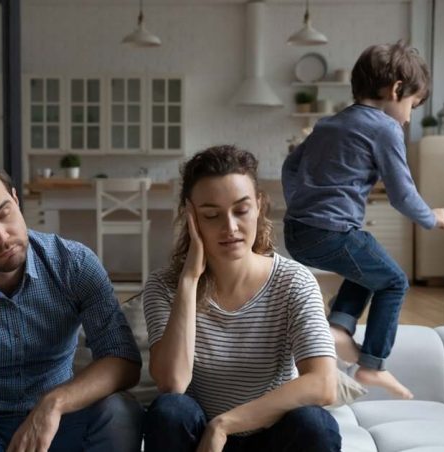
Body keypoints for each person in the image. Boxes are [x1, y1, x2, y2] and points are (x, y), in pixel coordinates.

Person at [0, 154, 143, 452]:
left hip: (58, 426)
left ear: (16, 199)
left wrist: (54, 404)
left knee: (120, 411)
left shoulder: (73, 263)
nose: (1, 237)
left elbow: (123, 360)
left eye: (4, 212)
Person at [281, 42, 444, 399]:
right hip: (331, 231)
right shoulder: (385, 128)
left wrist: (300, 203)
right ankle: (372, 364)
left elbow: (290, 166)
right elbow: (402, 193)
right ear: (396, 89)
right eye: (411, 106)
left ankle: (339, 328)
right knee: (393, 281)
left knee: (369, 265)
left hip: (298, 231)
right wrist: (430, 217)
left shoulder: (328, 123)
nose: (407, 118)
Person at [142, 145, 341, 452]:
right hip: (200, 442)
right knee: (169, 411)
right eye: (211, 215)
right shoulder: (165, 286)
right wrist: (189, 280)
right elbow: (173, 383)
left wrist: (224, 424)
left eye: (241, 210)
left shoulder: (294, 281)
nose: (230, 228)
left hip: (265, 435)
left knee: (315, 423)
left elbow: (324, 384)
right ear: (190, 216)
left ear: (259, 205)